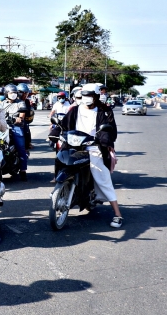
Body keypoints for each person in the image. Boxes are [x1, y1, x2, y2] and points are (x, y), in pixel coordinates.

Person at [59, 83, 123, 228]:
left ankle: (117, 214)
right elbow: (63, 125)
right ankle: (60, 189)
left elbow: (109, 130)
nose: (87, 99)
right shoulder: (74, 110)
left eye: (90, 96)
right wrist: (55, 133)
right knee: (61, 159)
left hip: (95, 147)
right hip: (74, 146)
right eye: (85, 96)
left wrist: (103, 141)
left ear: (96, 97)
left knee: (102, 176)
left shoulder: (104, 111)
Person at [0, 84, 29, 181]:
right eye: (11, 93)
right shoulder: (2, 104)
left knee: (21, 147)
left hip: (16, 127)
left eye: (15, 93)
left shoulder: (20, 103)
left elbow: (22, 113)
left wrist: (19, 118)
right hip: (2, 127)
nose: (13, 94)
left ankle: (23, 170)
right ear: (6, 93)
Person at [17, 83, 34, 149]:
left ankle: (28, 143)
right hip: (11, 118)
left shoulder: (26, 101)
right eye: (23, 93)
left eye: (26, 93)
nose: (25, 95)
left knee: (26, 128)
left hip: (22, 119)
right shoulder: (14, 100)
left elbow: (27, 110)